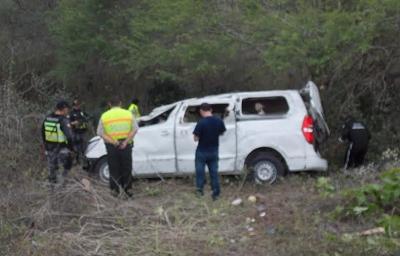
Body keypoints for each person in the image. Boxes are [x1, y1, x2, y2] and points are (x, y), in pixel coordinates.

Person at [97, 96, 138, 197]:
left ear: (109, 104)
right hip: (126, 145)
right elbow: (135, 129)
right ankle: (128, 190)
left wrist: (113, 142)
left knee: (114, 167)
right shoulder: (128, 114)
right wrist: (125, 142)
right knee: (127, 167)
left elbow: (100, 132)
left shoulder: (104, 116)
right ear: (120, 103)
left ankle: (115, 191)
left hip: (112, 146)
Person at [193, 103, 226, 200]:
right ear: (210, 110)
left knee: (200, 173)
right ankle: (215, 194)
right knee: (214, 173)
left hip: (202, 151)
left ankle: (200, 193)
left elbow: (195, 138)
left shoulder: (201, 122)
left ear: (201, 111)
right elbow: (222, 132)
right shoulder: (219, 121)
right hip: (214, 151)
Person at [41, 100, 74, 184]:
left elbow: (43, 133)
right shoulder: (63, 120)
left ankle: (52, 190)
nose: (68, 111)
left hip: (50, 150)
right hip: (62, 150)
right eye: (67, 109)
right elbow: (69, 137)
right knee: (63, 171)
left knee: (52, 171)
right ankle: (61, 191)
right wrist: (71, 149)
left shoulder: (47, 118)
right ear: (64, 108)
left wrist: (45, 147)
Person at [69, 99, 89, 164]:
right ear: (73, 106)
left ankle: (85, 160)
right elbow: (68, 122)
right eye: (75, 105)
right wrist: (73, 123)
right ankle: (77, 161)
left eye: (78, 105)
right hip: (75, 132)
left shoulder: (82, 112)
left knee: (84, 147)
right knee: (76, 147)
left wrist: (84, 120)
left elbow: (89, 117)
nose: (77, 106)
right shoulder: (71, 113)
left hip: (83, 132)